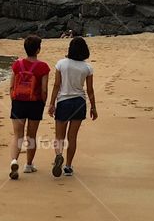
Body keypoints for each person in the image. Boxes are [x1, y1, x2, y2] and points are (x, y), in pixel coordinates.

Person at [48, 37, 97, 177]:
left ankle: (58, 155)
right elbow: (90, 90)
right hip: (79, 103)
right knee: (72, 137)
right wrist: (93, 107)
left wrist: (52, 103)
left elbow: (57, 85)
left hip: (64, 102)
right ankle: (68, 166)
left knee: (59, 136)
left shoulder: (61, 64)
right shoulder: (87, 67)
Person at [8, 35, 51, 180]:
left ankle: (14, 160)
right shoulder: (43, 67)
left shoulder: (17, 65)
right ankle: (28, 165)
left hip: (18, 102)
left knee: (17, 135)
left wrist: (14, 99)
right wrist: (44, 103)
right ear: (38, 49)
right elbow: (44, 90)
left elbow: (11, 86)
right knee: (31, 136)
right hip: (35, 102)